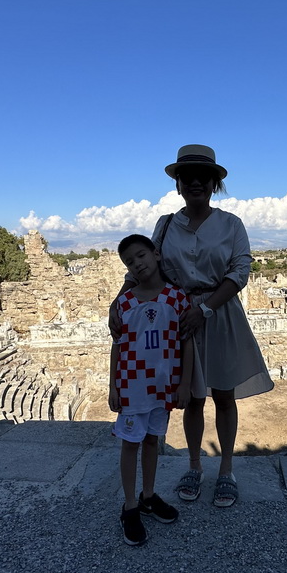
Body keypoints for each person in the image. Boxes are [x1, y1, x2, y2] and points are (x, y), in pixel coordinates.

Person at [113, 144, 274, 508]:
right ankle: (195, 465)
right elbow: (146, 267)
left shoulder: (231, 224)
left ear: (214, 183)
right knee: (192, 399)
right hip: (179, 315)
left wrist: (206, 310)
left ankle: (227, 470)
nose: (196, 182)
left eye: (204, 177)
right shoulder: (166, 224)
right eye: (189, 177)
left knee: (224, 395)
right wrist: (117, 301)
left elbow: (239, 271)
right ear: (179, 184)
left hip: (219, 314)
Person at [109, 233, 194, 546]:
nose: (138, 263)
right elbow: (117, 347)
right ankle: (129, 505)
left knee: (153, 441)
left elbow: (187, 343)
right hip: (132, 387)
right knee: (131, 443)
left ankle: (148, 495)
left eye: (141, 255)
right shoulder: (124, 303)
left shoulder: (177, 298)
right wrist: (113, 386)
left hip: (163, 387)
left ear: (156, 255)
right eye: (130, 261)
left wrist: (184, 383)